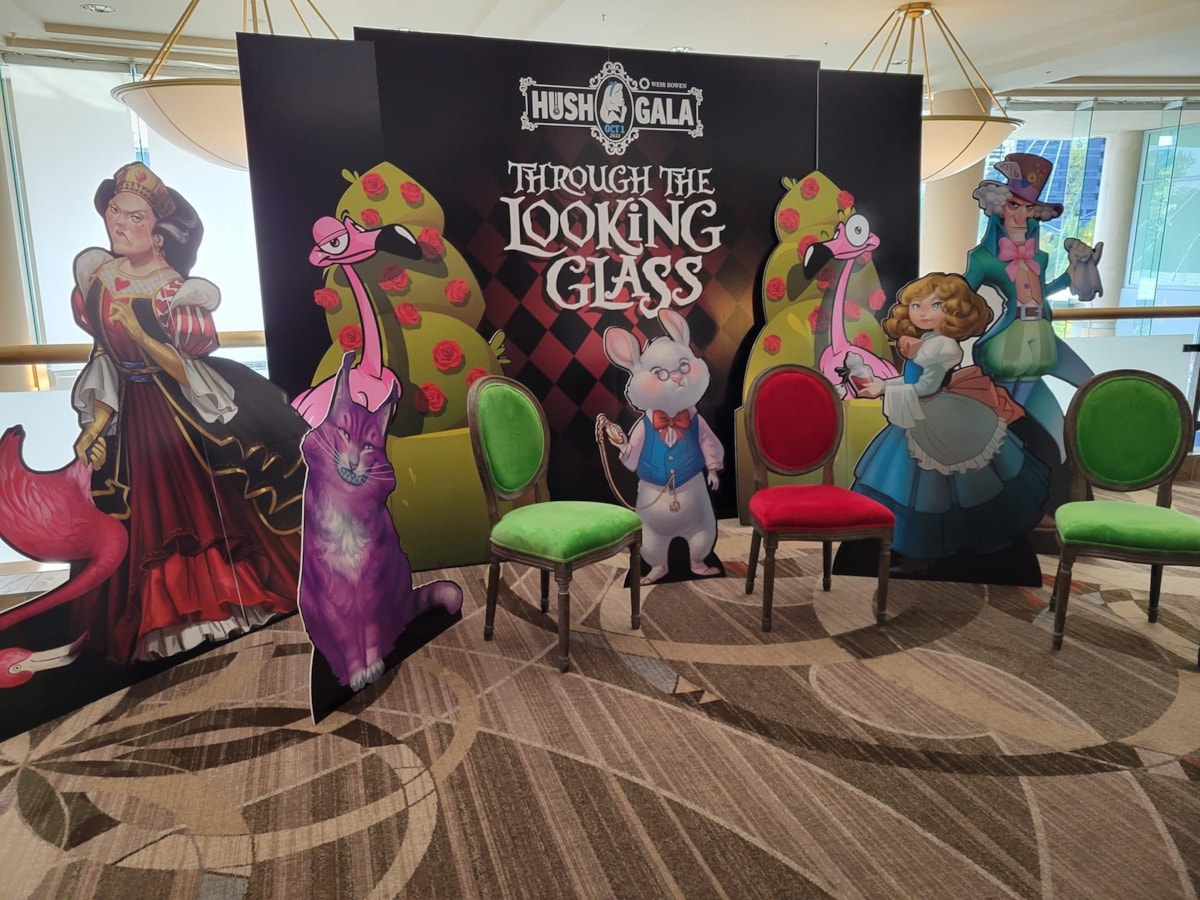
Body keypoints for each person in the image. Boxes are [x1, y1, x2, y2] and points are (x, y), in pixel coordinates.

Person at [69, 161, 308, 665]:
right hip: (129, 424)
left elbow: (185, 369)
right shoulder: (98, 279)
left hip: (180, 415)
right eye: (114, 211)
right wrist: (95, 426)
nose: (119, 223)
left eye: (134, 216)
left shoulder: (174, 290)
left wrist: (140, 334)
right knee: (139, 521)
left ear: (158, 234)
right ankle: (158, 625)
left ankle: (223, 607)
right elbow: (105, 360)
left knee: (200, 511)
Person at [852, 274, 1050, 561]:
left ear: (955, 311)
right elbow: (911, 378)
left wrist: (883, 389)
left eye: (936, 306)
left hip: (935, 412)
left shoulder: (943, 347)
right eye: (917, 306)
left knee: (940, 486)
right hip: (923, 411)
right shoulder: (928, 340)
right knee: (916, 482)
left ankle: (934, 547)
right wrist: (883, 385)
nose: (923, 312)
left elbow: (926, 387)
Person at [964, 152, 1101, 456]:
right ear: (999, 207)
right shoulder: (983, 258)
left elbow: (1043, 291)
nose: (1021, 215)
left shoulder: (1039, 256)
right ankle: (1003, 453)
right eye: (1014, 205)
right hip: (1009, 336)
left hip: (1039, 332)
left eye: (1028, 208)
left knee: (1029, 399)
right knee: (1004, 402)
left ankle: (1028, 452)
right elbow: (961, 294)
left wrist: (1071, 273)